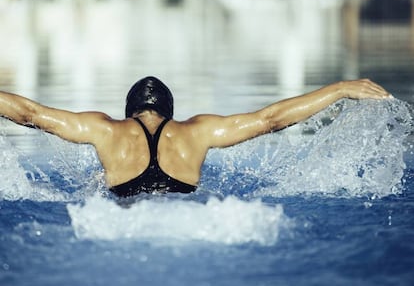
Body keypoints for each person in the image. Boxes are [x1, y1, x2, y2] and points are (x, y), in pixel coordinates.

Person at [0, 76, 392, 197]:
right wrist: (340, 89)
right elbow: (270, 119)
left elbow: (32, 115)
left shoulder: (106, 130)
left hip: (121, 218)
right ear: (171, 114)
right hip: (193, 212)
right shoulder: (196, 131)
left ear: (128, 112)